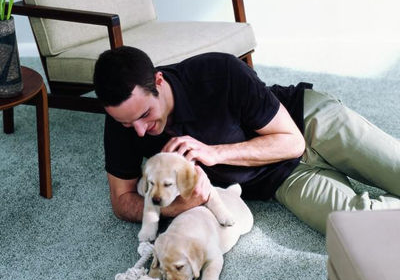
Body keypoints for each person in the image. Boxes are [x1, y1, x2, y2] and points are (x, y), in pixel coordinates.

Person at [93, 46, 400, 234]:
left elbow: (292, 142)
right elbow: (122, 201)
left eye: (145, 114)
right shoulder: (123, 122)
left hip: (308, 122)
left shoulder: (219, 71)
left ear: (158, 81)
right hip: (280, 178)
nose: (140, 131)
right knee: (362, 228)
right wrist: (178, 207)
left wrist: (213, 153)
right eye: (126, 122)